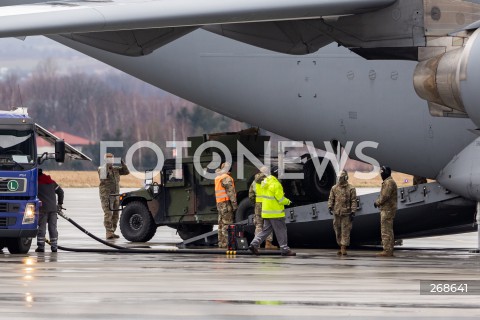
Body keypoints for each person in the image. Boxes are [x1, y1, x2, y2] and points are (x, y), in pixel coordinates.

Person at [249, 166, 296, 256]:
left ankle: (254, 244)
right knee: (281, 230)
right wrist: (289, 202)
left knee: (265, 230)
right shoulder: (276, 184)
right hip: (275, 212)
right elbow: (280, 199)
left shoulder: (265, 182)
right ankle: (285, 249)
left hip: (266, 211)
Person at [98, 153, 129, 239]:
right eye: (108, 160)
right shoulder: (102, 169)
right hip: (106, 195)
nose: (111, 162)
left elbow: (126, 172)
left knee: (116, 214)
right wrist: (108, 165)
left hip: (115, 195)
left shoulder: (116, 169)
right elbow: (103, 177)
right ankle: (108, 232)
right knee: (108, 213)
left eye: (112, 160)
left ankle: (112, 231)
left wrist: (122, 163)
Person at [328, 170, 357, 256]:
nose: (340, 179)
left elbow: (354, 201)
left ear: (345, 177)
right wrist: (330, 206)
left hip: (346, 213)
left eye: (341, 177)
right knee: (337, 230)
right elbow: (331, 198)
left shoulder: (351, 188)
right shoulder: (334, 188)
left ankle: (343, 247)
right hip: (336, 212)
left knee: (345, 230)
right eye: (339, 177)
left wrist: (353, 211)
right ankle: (340, 245)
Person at [248, 166, 277, 249]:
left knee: (259, 224)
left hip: (258, 204)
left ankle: (257, 244)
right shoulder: (270, 179)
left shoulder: (254, 181)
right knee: (268, 224)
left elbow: (251, 195)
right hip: (268, 204)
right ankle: (268, 244)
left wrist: (256, 202)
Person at [36, 169, 64, 253]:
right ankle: (54, 247)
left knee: (42, 228)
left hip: (42, 209)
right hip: (53, 209)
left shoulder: (35, 183)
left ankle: (41, 247)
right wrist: (60, 204)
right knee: (53, 228)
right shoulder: (51, 182)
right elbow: (61, 192)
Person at [374, 166, 398, 257]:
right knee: (389, 230)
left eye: (382, 171)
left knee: (386, 230)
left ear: (386, 172)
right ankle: (389, 249)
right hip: (388, 209)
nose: (381, 173)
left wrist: (377, 202)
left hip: (387, 210)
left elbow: (385, 196)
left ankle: (387, 250)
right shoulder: (389, 182)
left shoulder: (388, 183)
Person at [214, 162, 238, 248]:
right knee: (227, 223)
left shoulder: (218, 177)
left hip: (220, 203)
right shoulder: (226, 178)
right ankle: (227, 243)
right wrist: (234, 205)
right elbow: (230, 192)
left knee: (221, 224)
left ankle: (221, 242)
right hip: (226, 203)